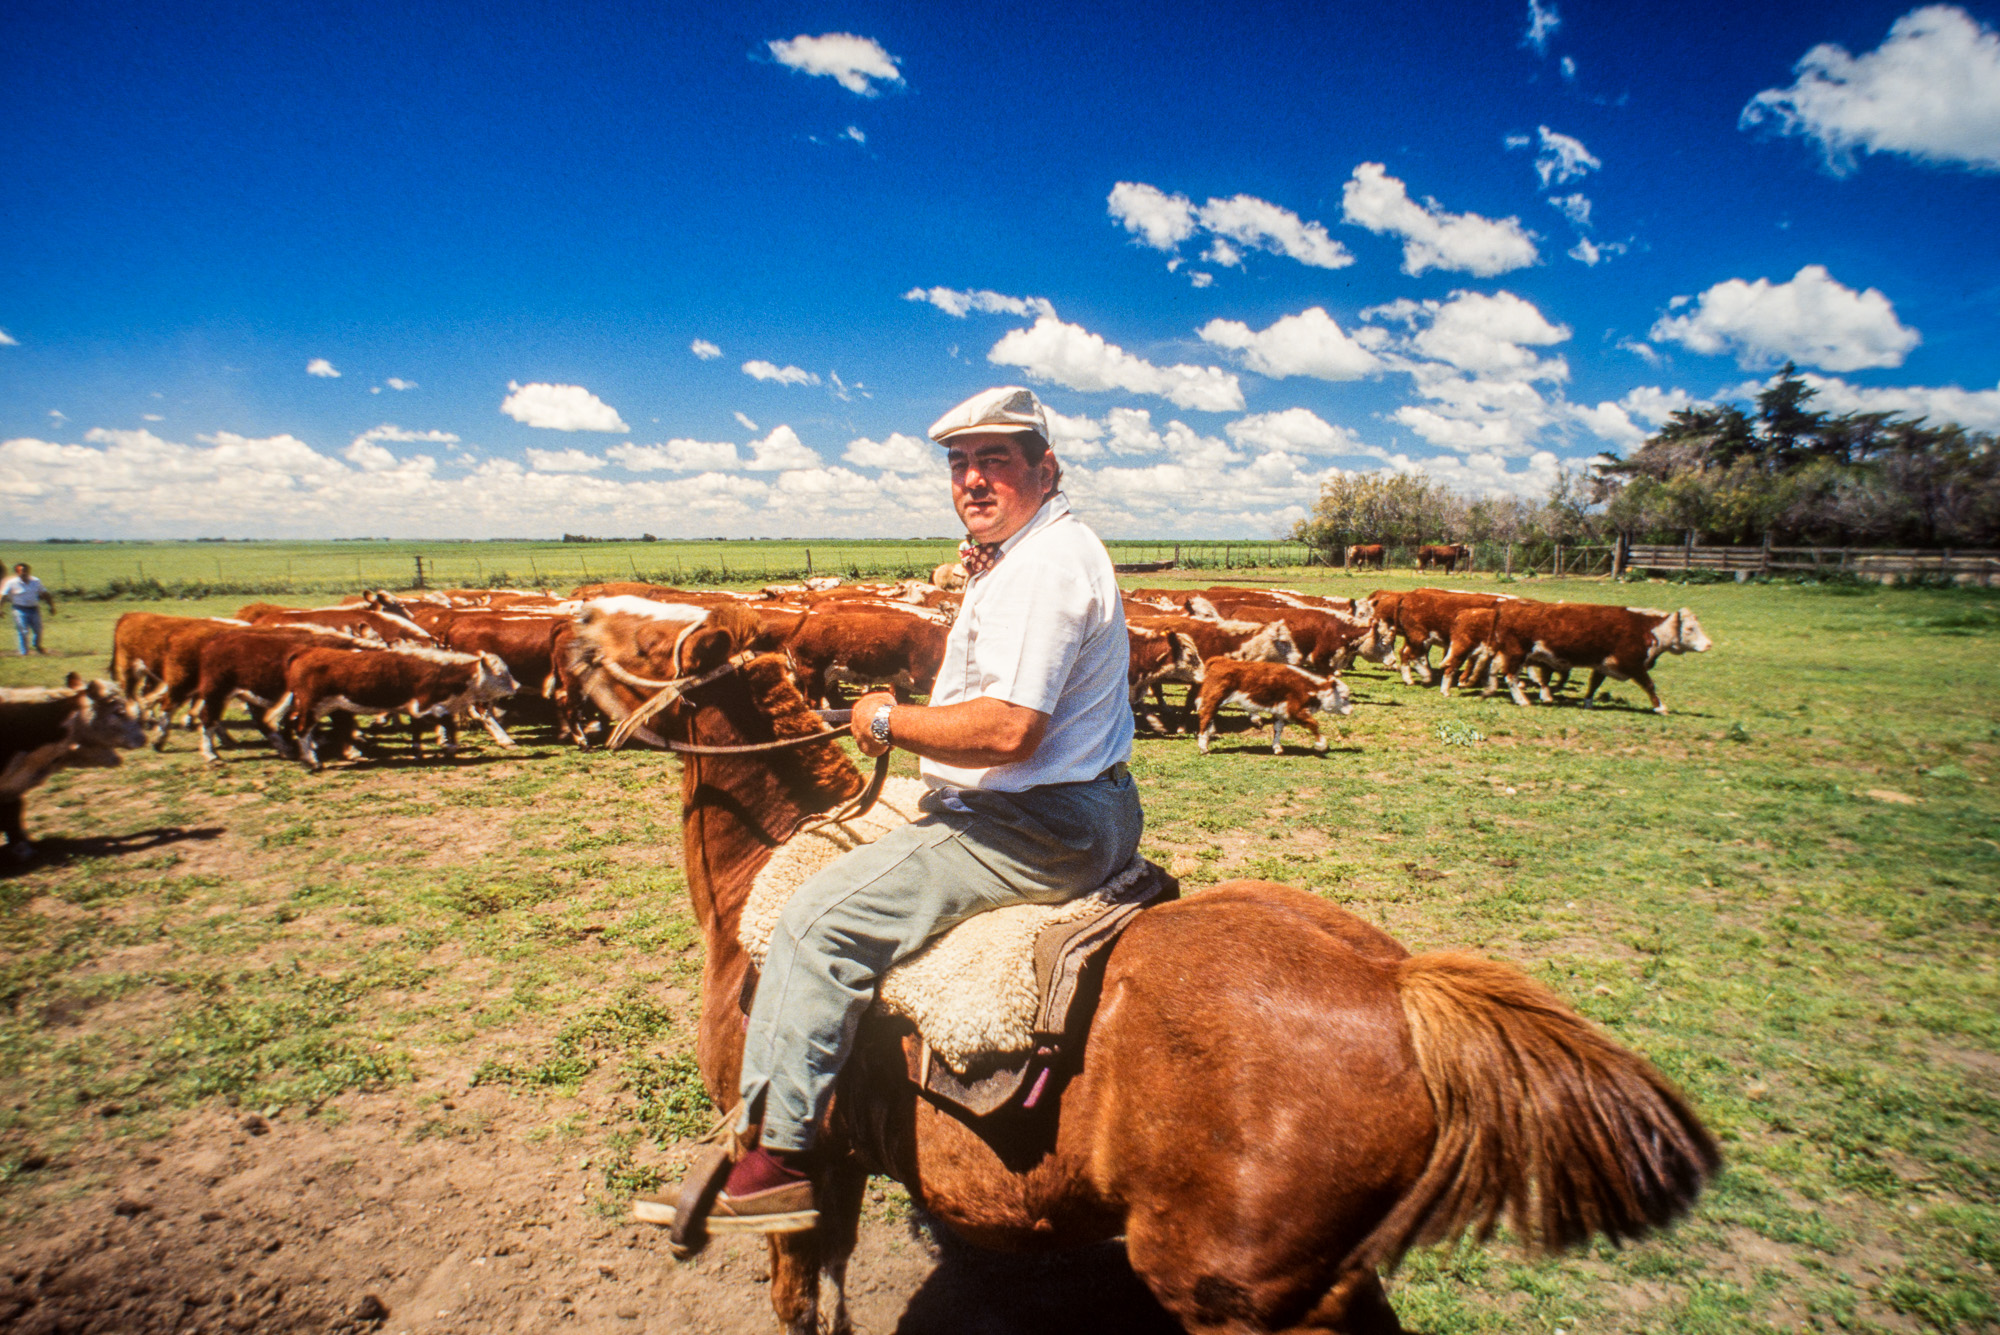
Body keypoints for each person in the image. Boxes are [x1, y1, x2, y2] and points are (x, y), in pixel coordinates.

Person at [706, 385, 1140, 1232]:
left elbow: (1010, 729)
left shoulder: (1043, 568)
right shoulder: (1044, 548)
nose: (973, 479)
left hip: (1029, 826)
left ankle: (779, 1158)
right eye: (959, 464)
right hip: (1098, 804)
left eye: (996, 461)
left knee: (812, 922)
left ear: (1044, 468)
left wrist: (881, 719)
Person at [1, 563, 56, 656]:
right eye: (22, 571)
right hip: (19, 609)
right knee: (23, 630)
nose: (25, 573)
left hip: (34, 609)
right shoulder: (11, 583)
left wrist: (51, 606)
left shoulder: (36, 581)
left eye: (26, 571)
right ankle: (24, 652)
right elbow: (3, 596)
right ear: (17, 572)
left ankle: (37, 645)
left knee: (38, 629)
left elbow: (45, 594)